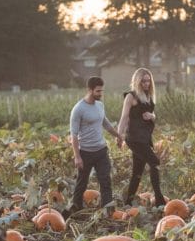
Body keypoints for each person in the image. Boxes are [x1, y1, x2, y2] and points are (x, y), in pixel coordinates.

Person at [65, 76, 122, 217]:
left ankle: (108, 211)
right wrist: (77, 156)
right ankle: (76, 208)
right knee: (82, 183)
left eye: (102, 91)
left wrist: (118, 136)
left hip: (101, 150)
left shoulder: (100, 105)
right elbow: (74, 135)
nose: (100, 94)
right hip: (85, 152)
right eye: (98, 91)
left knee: (105, 180)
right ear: (89, 90)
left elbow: (106, 123)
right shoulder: (78, 109)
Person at [117, 68, 167, 207]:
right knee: (155, 162)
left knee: (137, 172)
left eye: (148, 81)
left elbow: (152, 116)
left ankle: (128, 203)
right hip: (134, 138)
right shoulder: (131, 96)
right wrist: (119, 136)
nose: (146, 84)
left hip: (145, 138)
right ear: (137, 81)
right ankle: (159, 200)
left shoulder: (148, 96)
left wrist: (152, 116)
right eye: (143, 81)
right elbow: (124, 117)